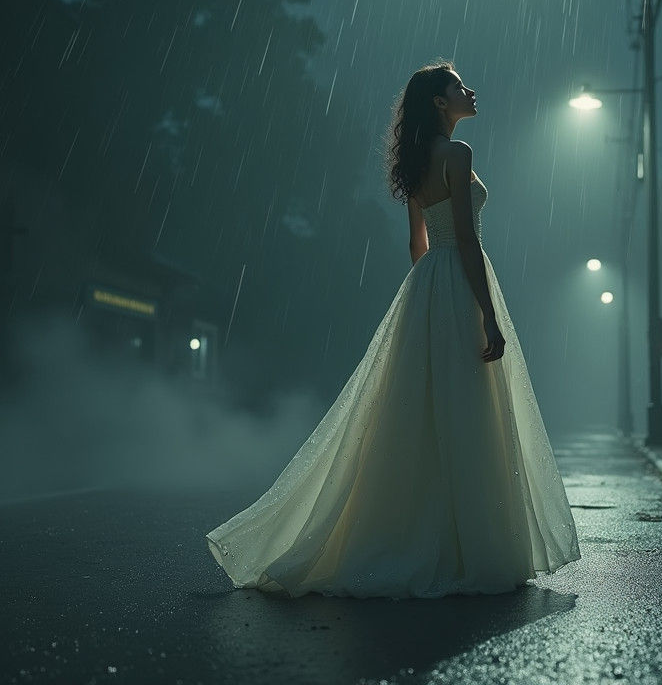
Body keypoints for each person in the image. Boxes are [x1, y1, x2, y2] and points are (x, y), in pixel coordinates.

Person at [205, 60, 581, 599]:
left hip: (428, 286)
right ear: (438, 101)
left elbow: (416, 245)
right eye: (459, 86)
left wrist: (426, 300)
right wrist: (488, 314)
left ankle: (413, 538)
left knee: (422, 414)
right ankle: (468, 546)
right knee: (469, 410)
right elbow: (468, 244)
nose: (470, 91)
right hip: (458, 281)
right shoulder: (458, 155)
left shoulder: (415, 163)